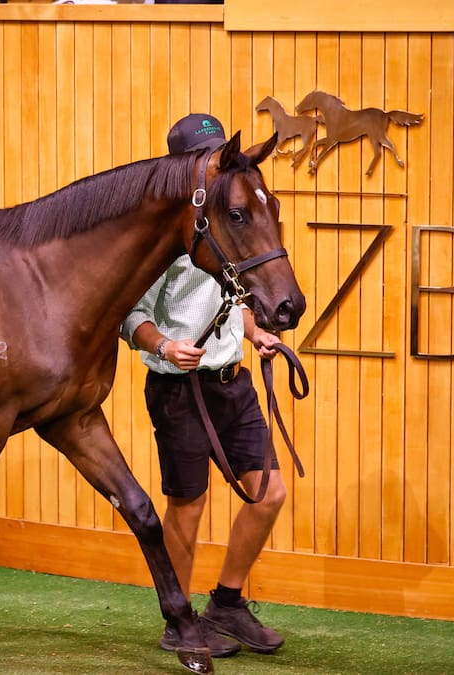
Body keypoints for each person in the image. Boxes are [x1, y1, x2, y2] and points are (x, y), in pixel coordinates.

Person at [121, 113, 287, 658]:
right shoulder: (159, 239)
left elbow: (234, 295)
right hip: (179, 391)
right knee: (187, 508)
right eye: (210, 159)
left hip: (231, 382)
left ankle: (228, 604)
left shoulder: (226, 225)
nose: (219, 167)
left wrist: (256, 330)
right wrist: (164, 346)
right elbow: (130, 316)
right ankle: (180, 619)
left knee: (269, 493)